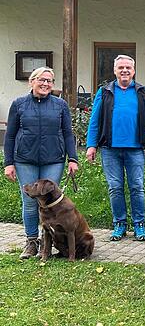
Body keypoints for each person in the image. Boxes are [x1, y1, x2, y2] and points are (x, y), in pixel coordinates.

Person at [3, 67, 79, 259]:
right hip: (24, 160)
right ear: (32, 81)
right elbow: (10, 136)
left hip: (53, 160)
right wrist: (9, 163)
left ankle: (48, 244)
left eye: (49, 81)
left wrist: (73, 158)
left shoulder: (60, 105)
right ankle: (31, 242)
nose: (46, 84)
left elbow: (68, 133)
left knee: (50, 201)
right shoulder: (19, 104)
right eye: (42, 80)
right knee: (29, 202)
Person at [86, 55, 145, 242]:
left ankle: (139, 225)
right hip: (110, 149)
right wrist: (91, 145)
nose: (124, 70)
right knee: (115, 188)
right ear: (115, 70)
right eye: (121, 67)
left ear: (134, 71)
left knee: (137, 187)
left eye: (128, 67)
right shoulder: (104, 92)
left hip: (135, 149)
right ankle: (119, 224)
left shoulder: (143, 92)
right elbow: (95, 121)